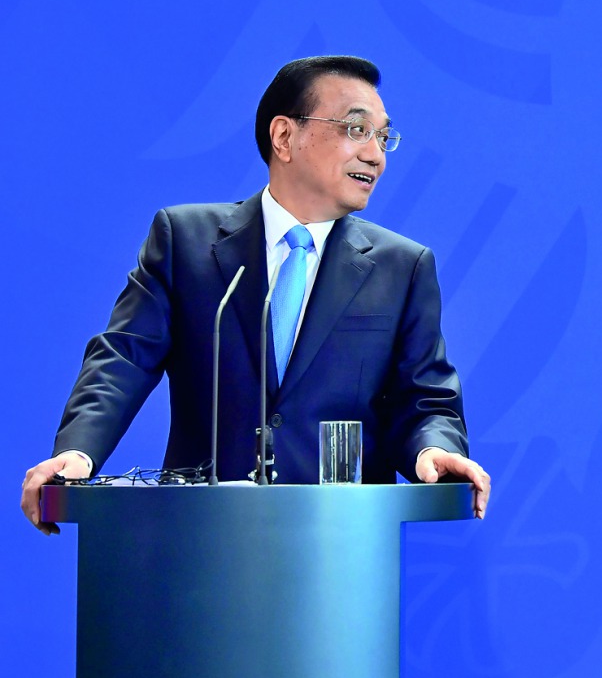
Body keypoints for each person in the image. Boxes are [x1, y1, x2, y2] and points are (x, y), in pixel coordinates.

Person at [21, 55, 490, 533]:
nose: (376, 155)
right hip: (200, 540)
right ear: (284, 136)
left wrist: (436, 450)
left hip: (339, 547)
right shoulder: (184, 241)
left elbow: (425, 399)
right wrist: (77, 452)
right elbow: (124, 358)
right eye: (356, 129)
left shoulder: (402, 267)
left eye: (383, 137)